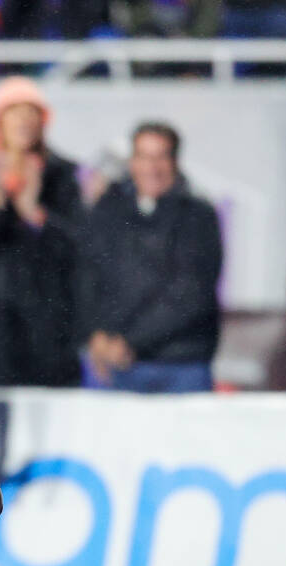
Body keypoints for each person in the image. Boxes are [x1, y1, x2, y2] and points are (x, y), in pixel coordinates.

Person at [0, 76, 83, 389]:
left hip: (45, 327)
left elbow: (74, 251)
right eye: (15, 111)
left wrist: (33, 212)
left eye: (31, 112)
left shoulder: (62, 174)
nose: (24, 121)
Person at [83, 121, 222, 394]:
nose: (152, 167)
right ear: (132, 162)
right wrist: (96, 334)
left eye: (161, 156)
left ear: (175, 161)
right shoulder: (109, 210)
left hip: (180, 365)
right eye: (144, 157)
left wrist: (130, 342)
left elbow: (192, 295)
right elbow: (88, 275)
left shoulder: (198, 215)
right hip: (115, 364)